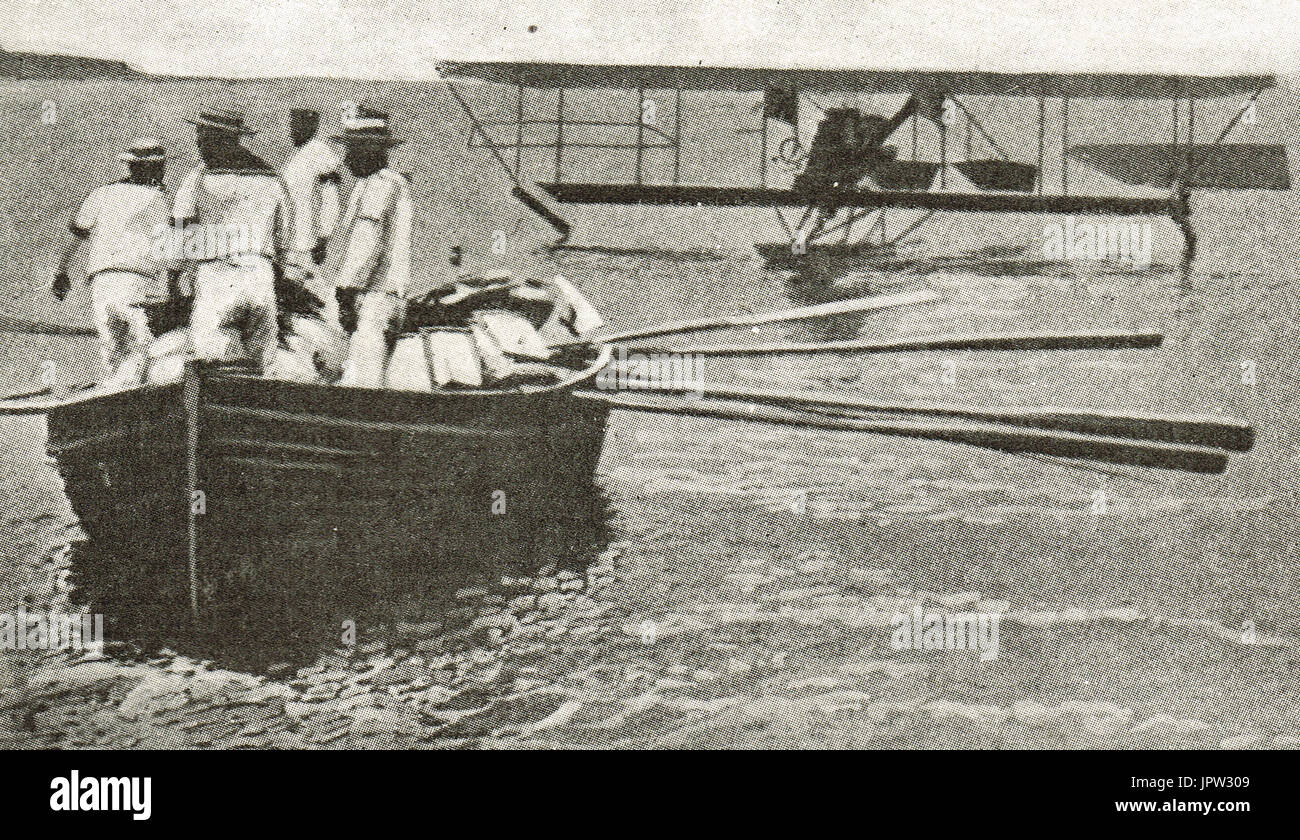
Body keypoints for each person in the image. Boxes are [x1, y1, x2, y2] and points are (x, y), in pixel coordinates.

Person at [171, 106, 292, 373]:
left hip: (216, 275)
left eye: (203, 139)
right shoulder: (272, 177)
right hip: (260, 274)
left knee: (211, 361)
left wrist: (176, 275)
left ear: (219, 139)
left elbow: (182, 226)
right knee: (264, 362)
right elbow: (285, 235)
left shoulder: (199, 177)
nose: (199, 145)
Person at [55, 138, 170, 388]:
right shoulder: (159, 199)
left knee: (112, 350)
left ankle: (117, 399)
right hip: (137, 280)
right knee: (145, 349)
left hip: (101, 281)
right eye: (159, 166)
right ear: (150, 168)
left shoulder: (101, 193)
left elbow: (76, 235)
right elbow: (172, 246)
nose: (162, 172)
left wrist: (61, 272)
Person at [326, 106, 413, 387]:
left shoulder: (377, 186)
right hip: (391, 295)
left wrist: (345, 290)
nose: (347, 158)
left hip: (373, 297)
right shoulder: (395, 184)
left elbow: (367, 244)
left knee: (361, 383)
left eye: (352, 150)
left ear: (370, 151)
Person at [281, 107, 343, 320]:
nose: (292, 132)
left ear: (311, 127)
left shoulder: (320, 152)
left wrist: (324, 235)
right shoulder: (299, 155)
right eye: (291, 126)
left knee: (305, 292)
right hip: (290, 238)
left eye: (296, 126)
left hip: (305, 241)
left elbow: (331, 198)